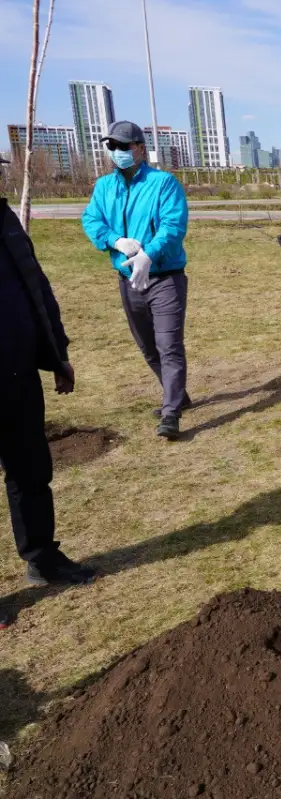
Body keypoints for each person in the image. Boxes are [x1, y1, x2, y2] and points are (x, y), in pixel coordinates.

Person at [1, 157, 96, 602]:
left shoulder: (6, 221)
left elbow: (36, 290)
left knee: (31, 473)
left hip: (17, 375)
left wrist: (57, 355)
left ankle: (42, 557)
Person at [81, 121, 190, 440]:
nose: (118, 152)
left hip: (164, 278)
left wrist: (148, 255)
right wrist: (115, 240)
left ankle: (171, 412)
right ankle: (178, 394)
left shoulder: (163, 184)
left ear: (141, 148)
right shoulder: (104, 188)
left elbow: (173, 226)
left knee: (168, 345)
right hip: (129, 280)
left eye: (125, 146)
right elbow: (91, 219)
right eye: (112, 147)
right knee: (147, 347)